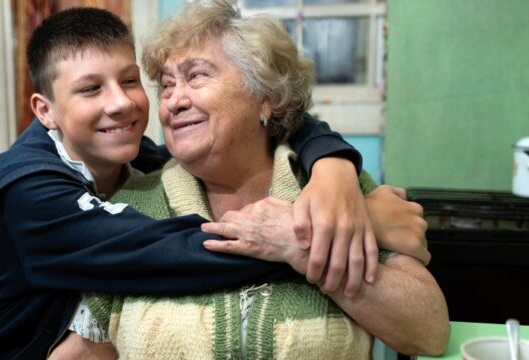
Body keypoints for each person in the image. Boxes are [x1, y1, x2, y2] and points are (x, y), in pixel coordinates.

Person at [0, 7, 389, 360]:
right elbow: (164, 253)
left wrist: (334, 166)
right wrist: (320, 237)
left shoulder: (139, 157)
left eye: (129, 80)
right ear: (45, 111)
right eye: (90, 89)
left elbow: (283, 114)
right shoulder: (29, 191)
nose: (121, 103)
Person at [83, 0, 449, 358]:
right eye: (166, 85)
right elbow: (86, 346)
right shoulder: (131, 204)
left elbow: (429, 332)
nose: (173, 101)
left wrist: (299, 246)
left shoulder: (336, 189)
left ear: (265, 97)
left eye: (196, 76)